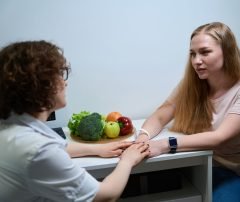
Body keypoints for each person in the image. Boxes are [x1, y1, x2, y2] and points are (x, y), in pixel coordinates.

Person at [0, 40, 150, 202]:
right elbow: (107, 196)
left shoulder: (11, 127)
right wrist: (127, 161)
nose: (65, 82)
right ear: (40, 84)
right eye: (59, 74)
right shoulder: (38, 150)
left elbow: (58, 149)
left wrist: (98, 150)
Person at [136, 22, 240, 201]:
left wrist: (165, 145)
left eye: (205, 52)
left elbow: (220, 137)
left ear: (227, 51)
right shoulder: (192, 84)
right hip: (218, 162)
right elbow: (162, 115)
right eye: (193, 54)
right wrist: (143, 137)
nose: (196, 61)